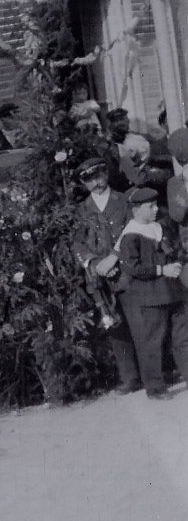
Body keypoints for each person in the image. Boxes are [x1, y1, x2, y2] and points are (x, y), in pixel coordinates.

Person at [72, 156, 139, 394]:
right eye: (89, 179)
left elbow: (133, 230)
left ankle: (153, 371)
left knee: (140, 323)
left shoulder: (124, 201)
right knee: (115, 328)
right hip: (101, 277)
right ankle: (130, 378)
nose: (96, 182)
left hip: (128, 272)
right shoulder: (82, 211)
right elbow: (77, 243)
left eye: (99, 176)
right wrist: (95, 262)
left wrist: (114, 257)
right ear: (84, 183)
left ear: (106, 174)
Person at [117, 186, 188, 399]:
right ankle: (155, 388)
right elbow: (131, 267)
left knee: (183, 339)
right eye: (151, 206)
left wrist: (175, 263)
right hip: (149, 297)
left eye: (156, 205)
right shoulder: (131, 235)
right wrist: (160, 270)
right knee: (151, 344)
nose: (156, 209)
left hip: (172, 292)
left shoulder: (159, 227)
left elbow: (175, 251)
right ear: (137, 210)